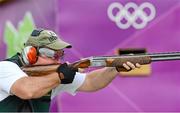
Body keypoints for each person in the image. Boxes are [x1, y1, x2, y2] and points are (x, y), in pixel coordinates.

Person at [0, 29, 141, 112]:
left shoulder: (53, 77)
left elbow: (91, 82)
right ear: (30, 53)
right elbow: (26, 89)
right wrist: (60, 75)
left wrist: (114, 68)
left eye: (60, 55)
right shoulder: (5, 68)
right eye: (52, 54)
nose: (57, 60)